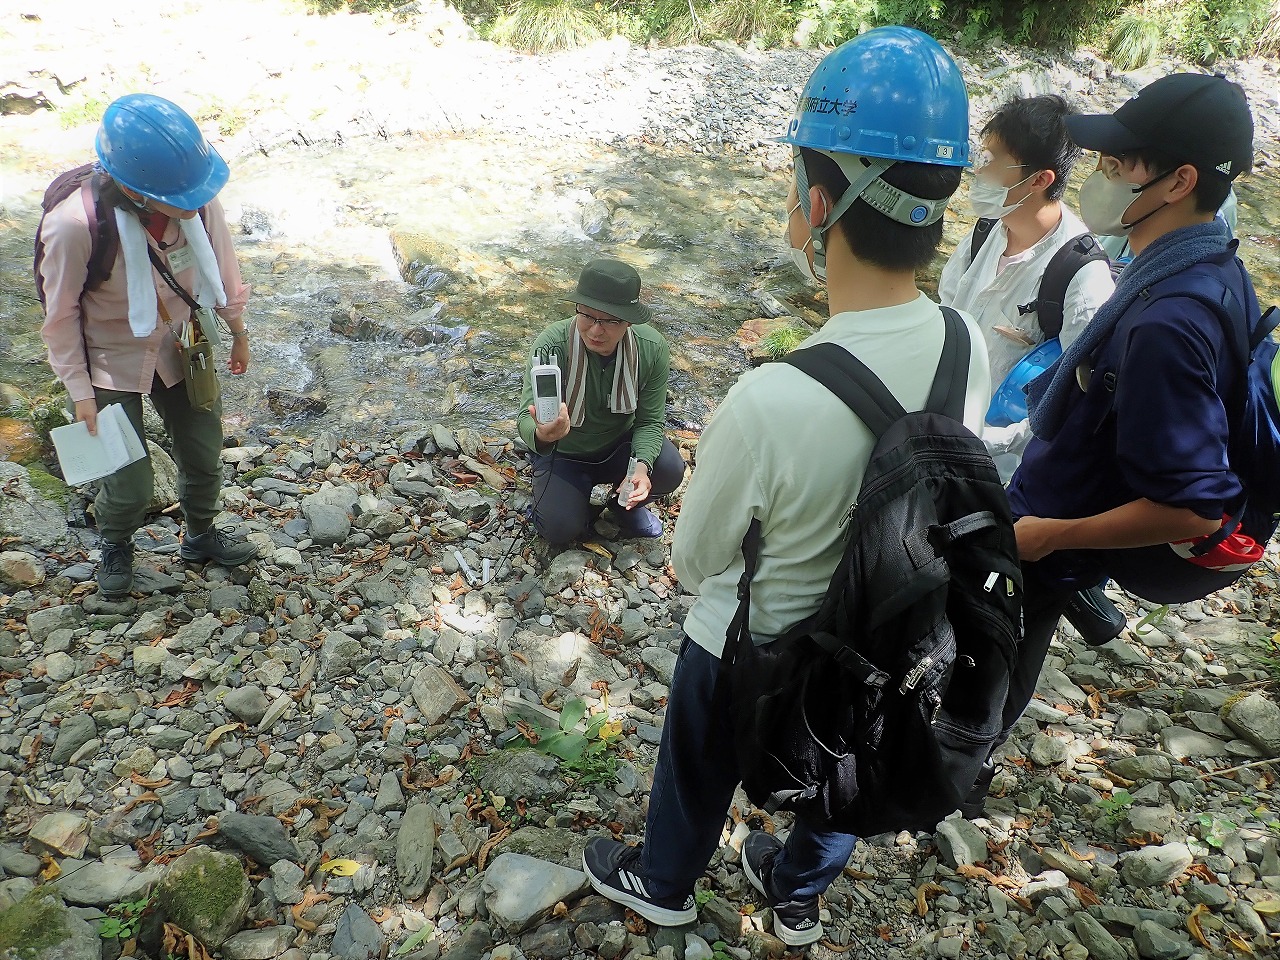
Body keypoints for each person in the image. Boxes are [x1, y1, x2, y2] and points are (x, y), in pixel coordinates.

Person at [581, 27, 990, 947]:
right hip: (890, 636)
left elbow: (694, 562)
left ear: (817, 201)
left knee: (697, 752)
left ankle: (666, 878)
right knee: (851, 757)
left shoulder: (772, 395)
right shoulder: (969, 346)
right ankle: (796, 894)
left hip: (755, 650)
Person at [996, 74, 1260, 780]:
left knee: (994, 660)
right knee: (1007, 652)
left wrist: (1052, 536)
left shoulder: (1168, 322)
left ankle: (951, 774)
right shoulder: (1213, 264)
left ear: (1178, 181)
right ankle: (965, 768)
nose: (1102, 176)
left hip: (1050, 538)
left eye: (1119, 165)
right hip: (1057, 512)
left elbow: (1193, 508)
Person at [37, 93, 256, 598]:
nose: (191, 202)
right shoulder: (74, 226)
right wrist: (79, 392)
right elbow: (60, 315)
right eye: (177, 195)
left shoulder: (196, 199)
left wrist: (238, 332)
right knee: (129, 481)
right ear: (134, 190)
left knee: (204, 452)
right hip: (107, 359)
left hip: (183, 342)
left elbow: (223, 269)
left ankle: (200, 535)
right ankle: (115, 543)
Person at [939, 95, 1115, 466]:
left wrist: (989, 443)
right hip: (938, 443)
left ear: (1039, 179)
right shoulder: (986, 231)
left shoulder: (1082, 277)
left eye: (990, 162)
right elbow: (946, 312)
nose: (978, 172)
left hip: (1001, 475)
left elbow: (1074, 407)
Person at [517, 259, 685, 546]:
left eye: (611, 321)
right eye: (588, 316)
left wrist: (641, 466)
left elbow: (649, 422)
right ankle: (569, 501)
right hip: (564, 451)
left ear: (629, 321)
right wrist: (542, 434)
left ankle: (623, 507)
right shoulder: (551, 345)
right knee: (559, 531)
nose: (596, 331)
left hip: (619, 445)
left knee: (670, 469)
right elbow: (524, 417)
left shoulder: (652, 349)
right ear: (577, 310)